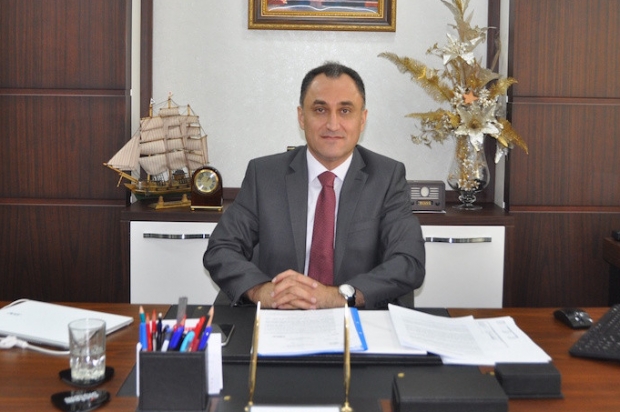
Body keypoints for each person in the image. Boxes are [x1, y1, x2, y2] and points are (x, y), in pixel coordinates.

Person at [204, 62, 425, 310]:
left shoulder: (387, 178)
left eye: (345, 111)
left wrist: (338, 296)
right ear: (302, 117)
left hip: (356, 317)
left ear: (362, 119)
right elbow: (221, 249)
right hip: (280, 316)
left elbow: (408, 262)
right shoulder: (264, 175)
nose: (332, 124)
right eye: (320, 110)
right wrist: (260, 291)